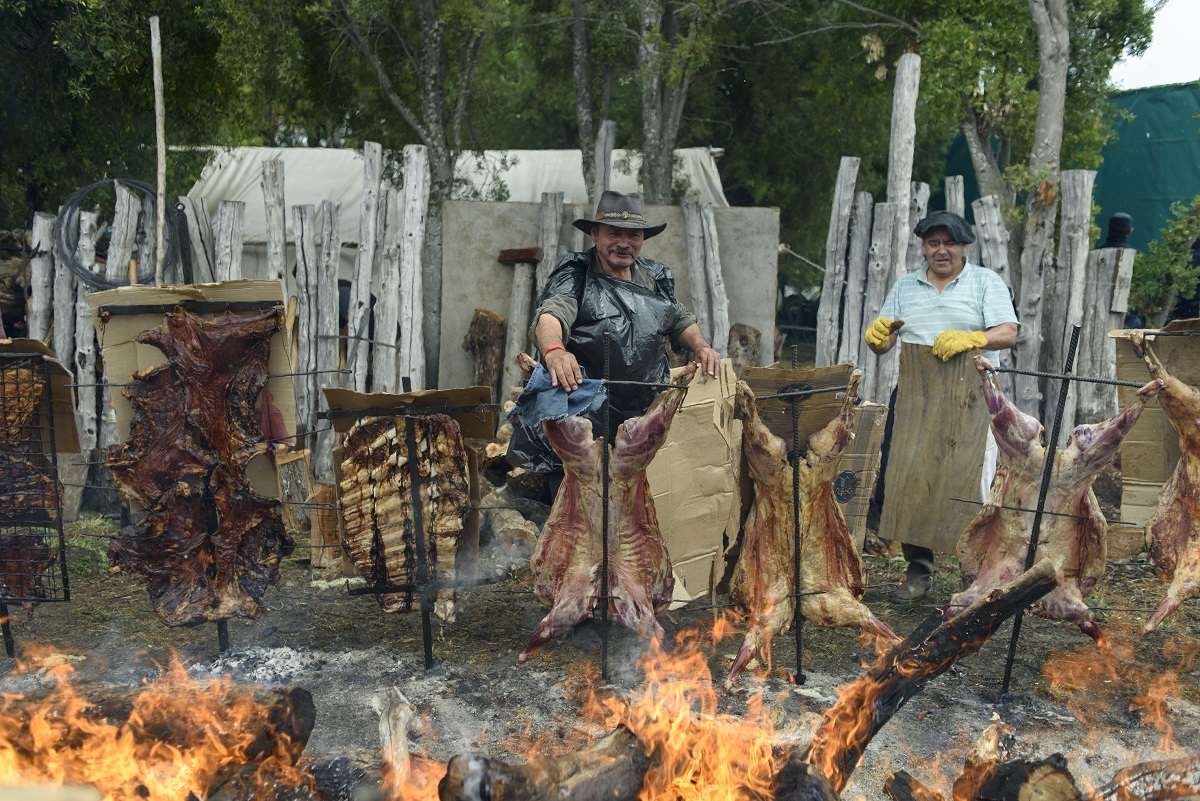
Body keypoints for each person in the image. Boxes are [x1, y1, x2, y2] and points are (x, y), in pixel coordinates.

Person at [507, 190, 721, 496]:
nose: (623, 243)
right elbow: (552, 314)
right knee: (571, 517)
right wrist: (555, 351)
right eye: (614, 233)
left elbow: (679, 318)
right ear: (595, 234)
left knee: (629, 518)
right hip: (581, 420)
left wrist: (700, 346)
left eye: (633, 235)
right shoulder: (576, 272)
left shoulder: (655, 276)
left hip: (637, 421)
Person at [864, 210, 1019, 601]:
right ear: (923, 247)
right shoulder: (905, 286)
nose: (941, 250)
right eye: (933, 243)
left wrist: (974, 338)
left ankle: (977, 575)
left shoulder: (985, 282)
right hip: (917, 394)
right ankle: (919, 571)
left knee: (974, 482)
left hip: (973, 393)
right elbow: (883, 342)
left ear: (963, 246)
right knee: (911, 480)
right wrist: (877, 337)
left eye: (949, 242)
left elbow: (1009, 332)